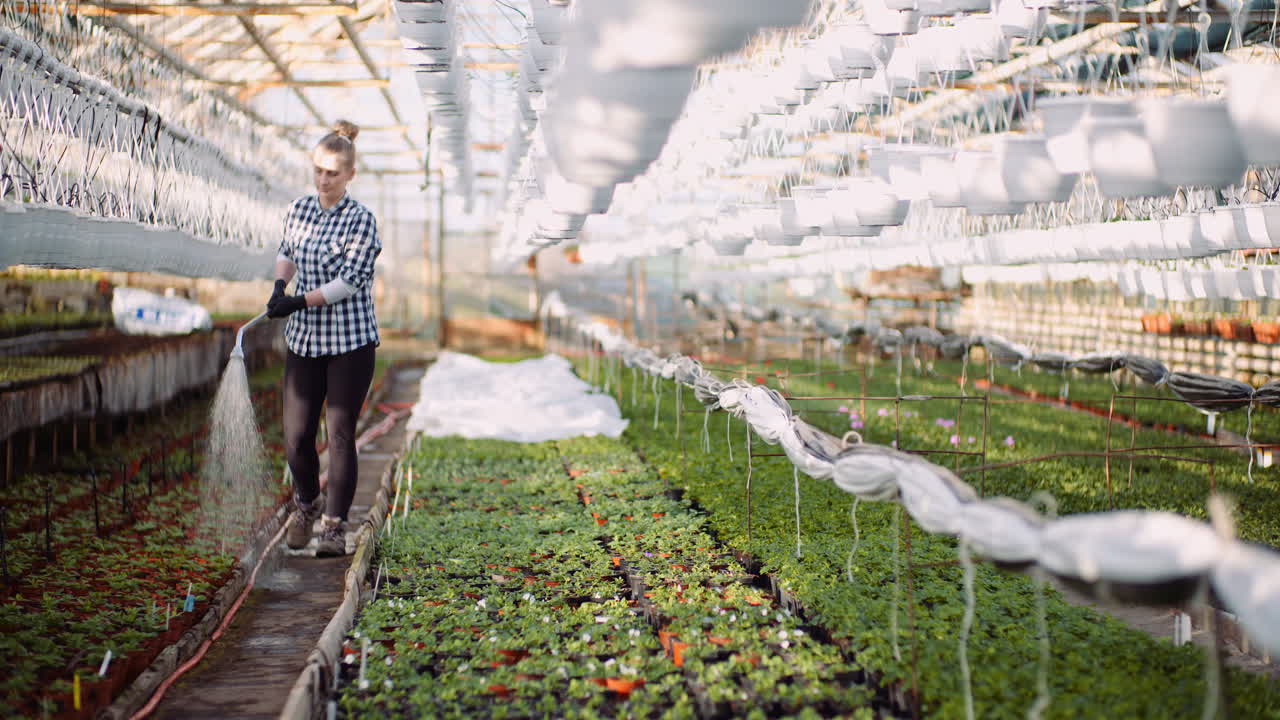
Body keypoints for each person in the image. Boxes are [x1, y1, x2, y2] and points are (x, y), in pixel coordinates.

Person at [267, 120, 381, 557]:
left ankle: (334, 527)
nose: (323, 179)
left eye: (332, 173)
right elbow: (287, 251)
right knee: (296, 437)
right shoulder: (298, 210)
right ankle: (306, 504)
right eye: (318, 170)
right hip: (305, 341)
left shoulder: (362, 222)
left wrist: (298, 302)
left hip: (350, 343)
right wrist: (281, 286)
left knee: (339, 435)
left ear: (350, 174)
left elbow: (349, 282)